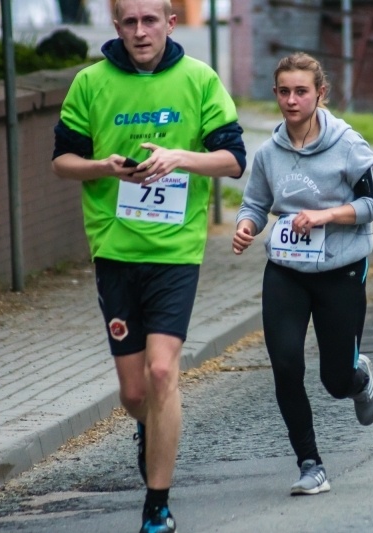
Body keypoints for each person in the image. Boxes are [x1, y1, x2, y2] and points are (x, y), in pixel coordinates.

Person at [51, 1, 246, 531]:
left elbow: (233, 160)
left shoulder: (199, 79)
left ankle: (157, 506)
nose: (140, 32)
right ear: (116, 26)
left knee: (163, 372)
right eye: (130, 22)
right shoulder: (90, 83)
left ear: (170, 23)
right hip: (114, 251)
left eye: (150, 20)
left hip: (175, 252)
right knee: (135, 393)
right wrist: (102, 167)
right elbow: (61, 162)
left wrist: (180, 157)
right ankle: (149, 425)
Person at [232, 53, 373, 496]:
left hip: (341, 270)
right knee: (285, 363)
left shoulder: (348, 145)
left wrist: (326, 216)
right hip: (286, 271)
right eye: (283, 91)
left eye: (301, 91)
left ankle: (358, 378)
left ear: (321, 93)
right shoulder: (269, 152)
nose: (291, 100)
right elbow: (255, 204)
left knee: (335, 380)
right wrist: (246, 226)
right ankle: (310, 463)